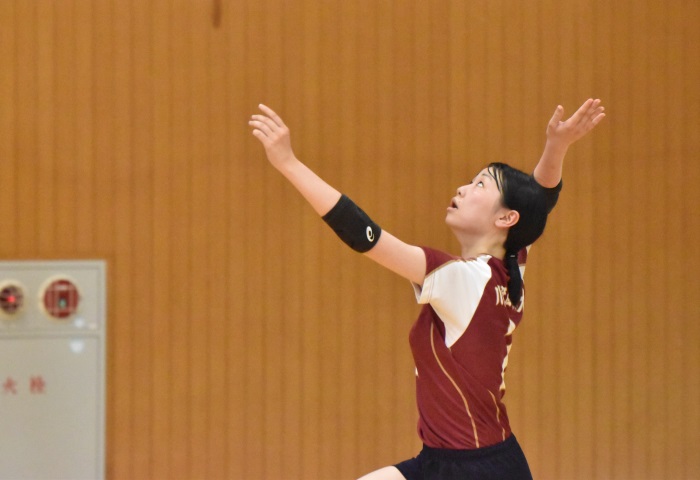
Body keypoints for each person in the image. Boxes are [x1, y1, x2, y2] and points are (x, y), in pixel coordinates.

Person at [249, 99, 605, 480]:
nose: (463, 188)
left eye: (480, 184)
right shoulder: (510, 264)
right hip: (446, 461)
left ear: (505, 217)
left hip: (478, 471)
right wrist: (556, 147)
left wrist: (289, 163)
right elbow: (539, 202)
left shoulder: (464, 281)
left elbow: (366, 237)